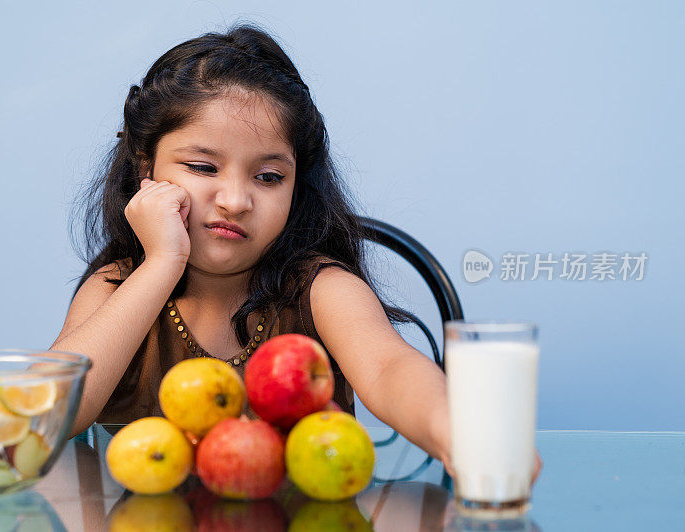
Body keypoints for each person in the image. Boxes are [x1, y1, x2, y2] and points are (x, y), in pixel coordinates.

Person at [52, 23, 541, 482]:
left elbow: (390, 367)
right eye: (203, 167)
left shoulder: (318, 289)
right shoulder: (117, 286)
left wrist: (455, 428)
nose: (235, 201)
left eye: (268, 177)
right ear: (147, 168)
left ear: (295, 186)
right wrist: (160, 264)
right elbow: (51, 415)